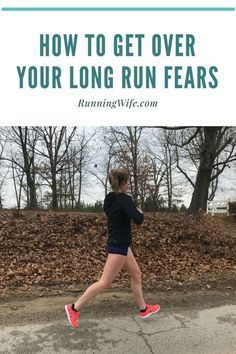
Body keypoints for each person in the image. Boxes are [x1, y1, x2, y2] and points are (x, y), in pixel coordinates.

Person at [65, 168, 160, 329]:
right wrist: (140, 212)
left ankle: (143, 309)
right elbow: (138, 219)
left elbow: (119, 214)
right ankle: (74, 308)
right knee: (104, 282)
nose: (128, 184)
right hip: (119, 247)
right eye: (127, 182)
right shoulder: (124, 199)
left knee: (136, 275)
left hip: (121, 244)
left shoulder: (109, 199)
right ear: (123, 183)